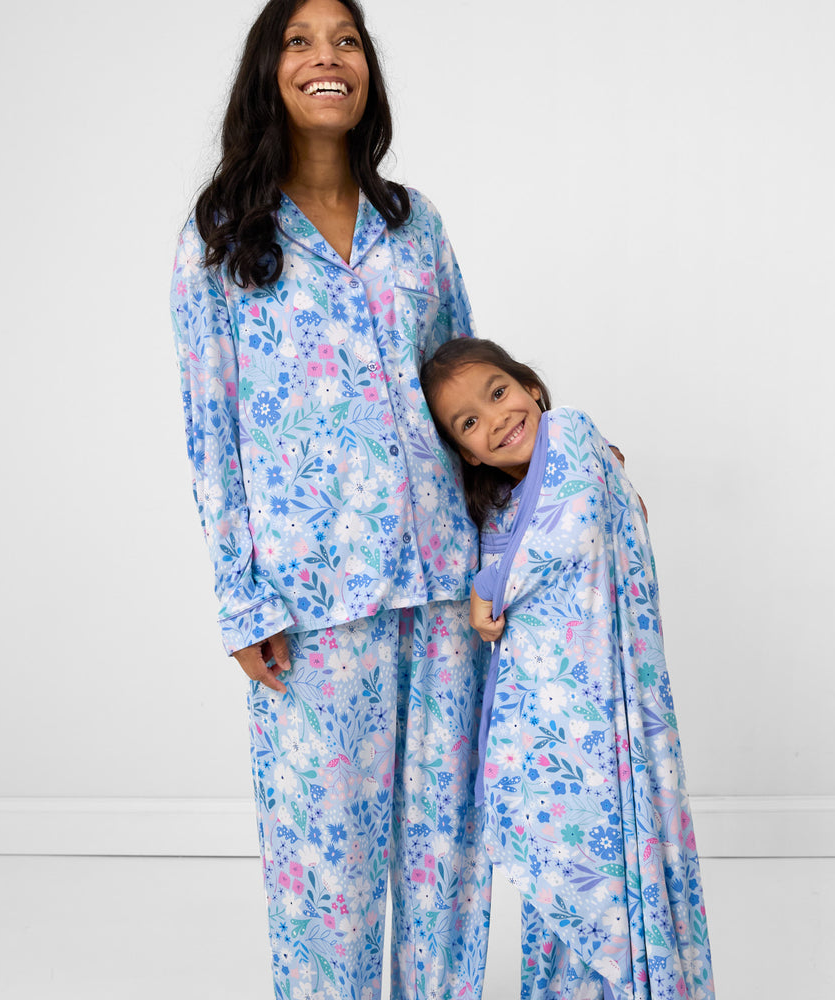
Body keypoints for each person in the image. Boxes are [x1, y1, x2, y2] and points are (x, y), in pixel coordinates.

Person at [169, 3, 492, 998]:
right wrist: (241, 602)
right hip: (314, 605)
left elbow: (465, 391)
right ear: (270, 70)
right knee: (326, 870)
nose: (326, 58)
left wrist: (527, 513)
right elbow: (210, 433)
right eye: (301, 42)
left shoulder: (415, 224)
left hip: (441, 589)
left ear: (367, 71)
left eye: (345, 41)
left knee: (445, 858)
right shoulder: (220, 237)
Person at [421, 339, 716, 1000]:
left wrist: (488, 584)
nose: (495, 419)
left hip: (602, 716)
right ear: (465, 452)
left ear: (530, 387)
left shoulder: (573, 435)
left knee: (610, 867)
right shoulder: (496, 506)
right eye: (469, 422)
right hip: (539, 736)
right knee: (561, 889)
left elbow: (568, 531)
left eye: (498, 392)